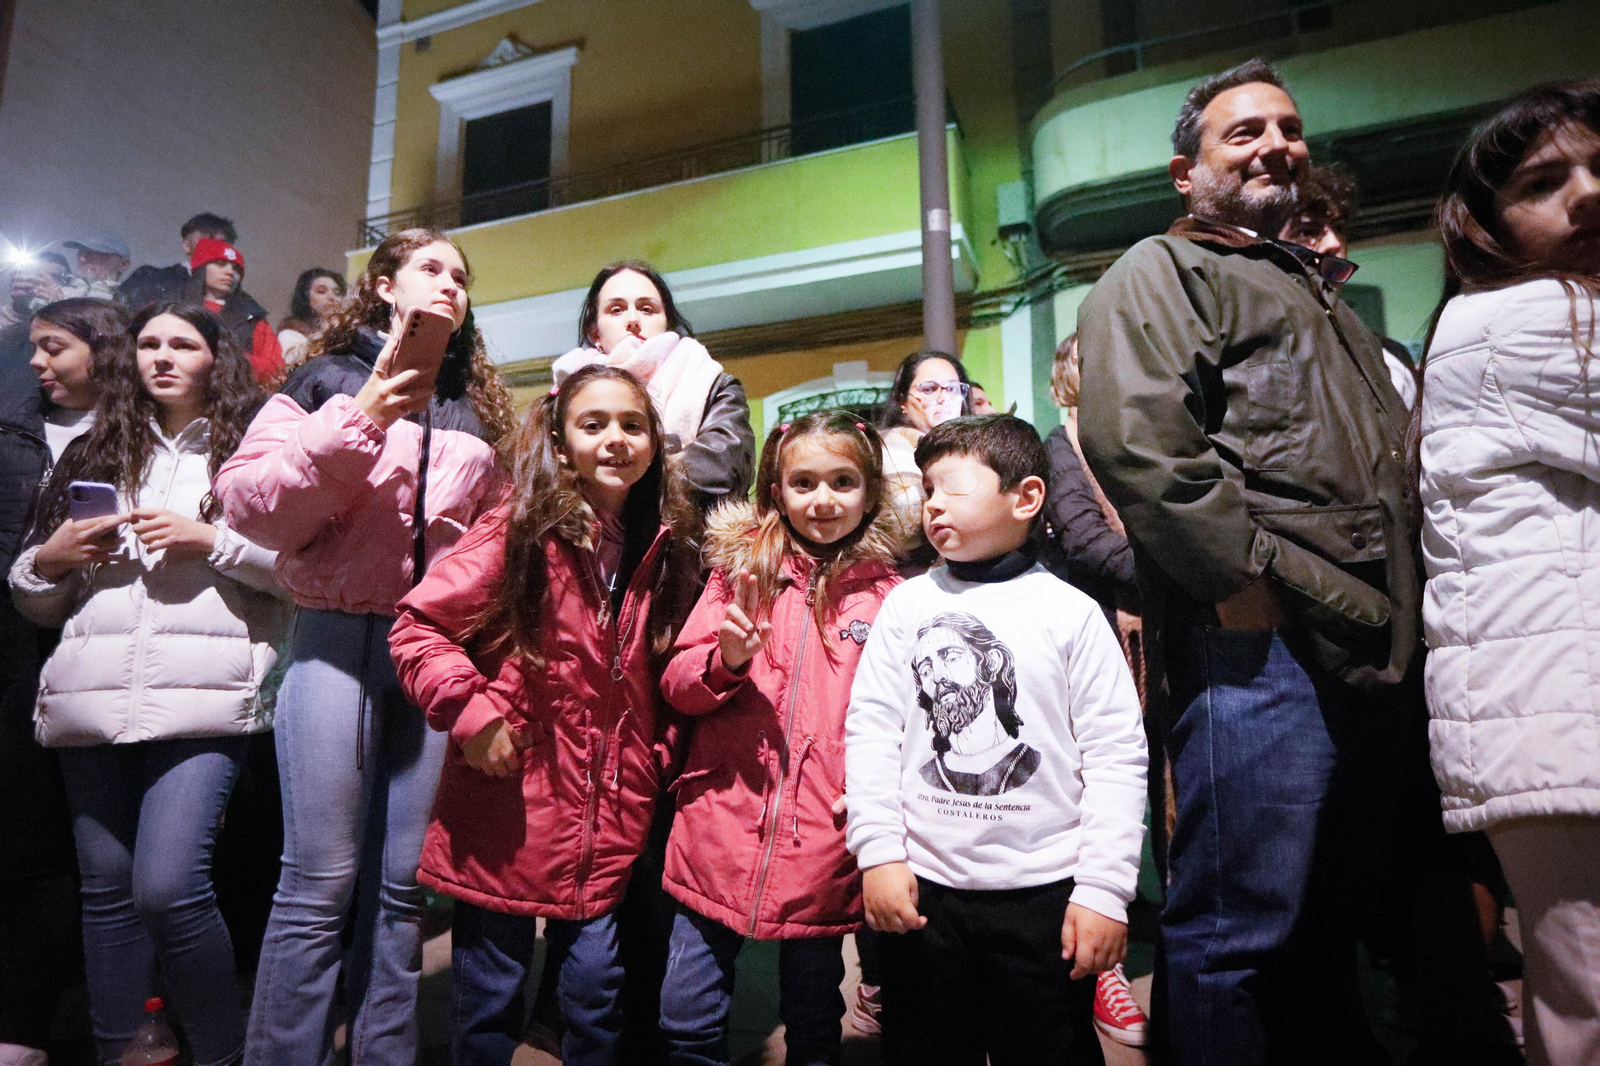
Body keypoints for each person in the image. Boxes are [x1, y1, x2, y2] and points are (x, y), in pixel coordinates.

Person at [1076, 59, 1423, 1065]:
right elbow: (1142, 444)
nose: (1277, 143)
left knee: (1324, 928)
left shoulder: (1314, 292)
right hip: (1259, 651)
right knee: (1240, 932)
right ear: (1185, 171)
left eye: (1289, 127)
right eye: (1244, 132)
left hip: (1364, 645)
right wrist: (1238, 583)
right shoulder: (1163, 270)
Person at [216, 227, 515, 1066]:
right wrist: (362, 417)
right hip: (330, 641)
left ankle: (385, 1054)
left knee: (401, 888)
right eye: (430, 269)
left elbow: (497, 539)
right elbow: (249, 506)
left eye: (461, 276)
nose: (451, 285)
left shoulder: (478, 408)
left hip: (433, 655)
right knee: (317, 883)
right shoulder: (323, 381)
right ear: (384, 285)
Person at [387, 364, 703, 1066]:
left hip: (608, 819)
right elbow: (417, 629)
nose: (616, 439)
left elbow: (663, 670)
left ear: (655, 441)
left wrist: (651, 760)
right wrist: (471, 713)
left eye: (632, 424)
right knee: (489, 1000)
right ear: (560, 443)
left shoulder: (663, 546)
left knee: (594, 997)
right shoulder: (518, 532)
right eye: (593, 425)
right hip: (507, 810)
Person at [8, 302, 285, 1066]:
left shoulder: (253, 449)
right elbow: (35, 596)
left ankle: (225, 1054)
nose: (161, 356)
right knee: (107, 893)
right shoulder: (95, 450)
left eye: (182, 344)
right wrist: (53, 558)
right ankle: (119, 1051)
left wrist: (214, 541)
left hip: (208, 694)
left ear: (215, 357)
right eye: (148, 344)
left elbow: (299, 578)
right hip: (88, 698)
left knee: (169, 888)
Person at [844, 414, 1147, 1066]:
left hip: (1044, 899)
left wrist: (1103, 890)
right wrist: (878, 853)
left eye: (950, 487)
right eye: (925, 490)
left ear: (1027, 497)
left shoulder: (1069, 614)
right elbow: (870, 730)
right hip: (925, 894)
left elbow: (1116, 755)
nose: (932, 504)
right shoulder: (905, 606)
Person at [1417, 79, 1600, 1066]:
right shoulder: (1514, 323)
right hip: (1564, 727)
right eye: (1544, 181)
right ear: (1484, 225)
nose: (1588, 193)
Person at [657, 412, 902, 1066]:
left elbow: (906, 721)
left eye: (842, 481)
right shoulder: (739, 574)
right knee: (685, 1014)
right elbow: (679, 685)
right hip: (718, 826)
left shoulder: (893, 599)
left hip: (825, 837)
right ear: (776, 490)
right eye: (804, 483)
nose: (822, 500)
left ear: (871, 490)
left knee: (815, 1017)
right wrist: (725, 661)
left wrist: (880, 794)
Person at [0, 297, 123, 1066]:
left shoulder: (132, 436)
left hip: (87, 653)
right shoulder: (13, 432)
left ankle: (38, 1019)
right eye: (36, 349)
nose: (40, 364)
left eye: (56, 349)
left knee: (73, 851)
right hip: (10, 648)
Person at [554, 260, 755, 509]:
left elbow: (724, 470)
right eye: (616, 310)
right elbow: (547, 475)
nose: (633, 320)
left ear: (667, 323)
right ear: (595, 333)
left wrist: (617, 478)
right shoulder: (565, 394)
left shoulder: (712, 383)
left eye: (647, 309)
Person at [1279, 165, 1421, 408]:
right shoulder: (1257, 354)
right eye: (1308, 231)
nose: (1334, 243)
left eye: (1339, 228)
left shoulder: (1391, 355)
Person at [878, 350, 972, 552]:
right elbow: (904, 521)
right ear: (902, 401)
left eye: (954, 389)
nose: (944, 397)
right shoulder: (892, 446)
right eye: (929, 389)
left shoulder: (966, 448)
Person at [183, 239, 283, 384]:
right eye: (220, 264)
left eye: (236, 269)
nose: (230, 272)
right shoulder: (175, 311)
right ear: (201, 268)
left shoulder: (253, 318)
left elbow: (275, 367)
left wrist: (229, 358)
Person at [119, 212, 235, 310]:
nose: (214, 247)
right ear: (186, 246)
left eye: (221, 243)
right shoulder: (150, 278)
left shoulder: (237, 296)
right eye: (207, 240)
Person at [276, 268, 346, 367]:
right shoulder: (290, 335)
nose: (332, 297)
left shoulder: (346, 331)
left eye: (337, 293)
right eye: (322, 291)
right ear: (306, 297)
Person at [60, 232, 131, 302]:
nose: (82, 259)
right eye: (81, 252)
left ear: (123, 264)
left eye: (95, 253)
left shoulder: (129, 301)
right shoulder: (61, 295)